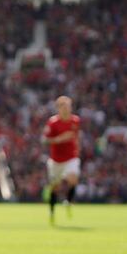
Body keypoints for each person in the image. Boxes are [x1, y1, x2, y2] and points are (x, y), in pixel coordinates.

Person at [42, 95, 81, 224]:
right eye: (64, 106)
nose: (67, 109)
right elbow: (44, 140)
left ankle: (68, 201)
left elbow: (75, 137)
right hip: (56, 160)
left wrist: (76, 147)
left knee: (73, 178)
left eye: (69, 106)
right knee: (55, 188)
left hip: (71, 157)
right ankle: (52, 212)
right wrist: (58, 139)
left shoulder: (75, 121)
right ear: (59, 108)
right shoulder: (52, 122)